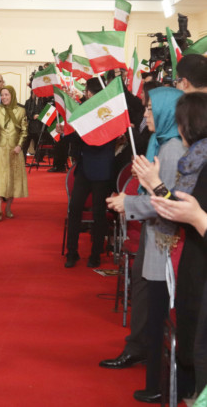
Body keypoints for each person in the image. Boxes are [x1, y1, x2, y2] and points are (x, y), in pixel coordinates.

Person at [105, 87, 185, 404]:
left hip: (165, 241)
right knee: (148, 303)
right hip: (155, 238)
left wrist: (130, 202)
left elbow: (165, 201)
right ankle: (145, 360)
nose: (146, 114)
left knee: (157, 312)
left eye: (152, 109)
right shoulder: (163, 142)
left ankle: (157, 384)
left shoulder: (173, 149)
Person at [136, 92, 207, 399]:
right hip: (195, 259)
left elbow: (182, 210)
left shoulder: (198, 160)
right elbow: (179, 207)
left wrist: (155, 186)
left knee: (197, 351)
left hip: (199, 264)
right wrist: (156, 185)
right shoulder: (196, 158)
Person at [64, 77, 115, 268]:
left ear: (92, 93)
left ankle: (95, 254)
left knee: (99, 213)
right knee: (74, 208)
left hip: (102, 169)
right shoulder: (83, 110)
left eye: (88, 91)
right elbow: (75, 137)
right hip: (85, 168)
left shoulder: (110, 112)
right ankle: (72, 252)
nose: (87, 94)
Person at [0, 85, 28, 220]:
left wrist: (19, 146)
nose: (4, 97)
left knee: (11, 179)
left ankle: (7, 208)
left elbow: (24, 132)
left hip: (14, 151)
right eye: (2, 95)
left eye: (6, 95)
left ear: (12, 95)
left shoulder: (21, 111)